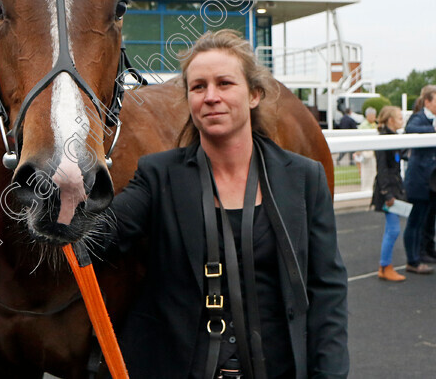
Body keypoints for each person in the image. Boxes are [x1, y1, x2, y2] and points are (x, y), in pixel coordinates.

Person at [96, 30, 348, 379]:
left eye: (225, 83)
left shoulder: (305, 178)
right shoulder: (158, 175)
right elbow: (98, 237)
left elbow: (327, 290)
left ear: (254, 94)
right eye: (198, 87)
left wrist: (330, 373)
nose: (211, 96)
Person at [371, 106, 407, 281]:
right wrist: (387, 194)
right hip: (389, 191)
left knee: (392, 229)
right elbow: (382, 170)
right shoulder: (383, 141)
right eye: (399, 118)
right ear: (390, 120)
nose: (402, 120)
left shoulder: (394, 138)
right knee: (393, 230)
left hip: (394, 188)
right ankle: (385, 267)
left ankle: (385, 266)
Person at [402, 85, 436, 273]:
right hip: (419, 178)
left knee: (428, 219)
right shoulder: (419, 118)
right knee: (415, 221)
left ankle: (425, 251)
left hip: (432, 180)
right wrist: (432, 128)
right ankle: (413, 260)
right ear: (427, 102)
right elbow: (410, 129)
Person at [357, 107, 378, 191]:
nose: (374, 117)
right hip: (366, 152)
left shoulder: (374, 124)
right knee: (366, 172)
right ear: (368, 115)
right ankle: (365, 189)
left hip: (373, 152)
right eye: (373, 115)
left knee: (373, 172)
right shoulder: (364, 126)